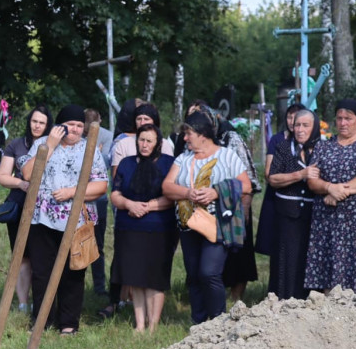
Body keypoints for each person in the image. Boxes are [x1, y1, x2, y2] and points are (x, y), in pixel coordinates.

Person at [20, 104, 109, 335]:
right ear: (60, 126)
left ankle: (68, 324)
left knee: (73, 272)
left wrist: (72, 192)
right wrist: (49, 144)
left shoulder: (90, 149)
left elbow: (101, 185)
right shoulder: (43, 144)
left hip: (77, 221)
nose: (76, 130)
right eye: (70, 125)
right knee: (42, 272)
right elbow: (28, 174)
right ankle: (42, 321)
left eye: (80, 125)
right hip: (43, 220)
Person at [162, 111, 252, 324]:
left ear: (203, 134)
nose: (185, 138)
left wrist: (216, 192)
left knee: (209, 273)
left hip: (217, 223)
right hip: (188, 224)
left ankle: (218, 322)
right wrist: (187, 193)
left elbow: (246, 185)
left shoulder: (226, 156)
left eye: (188, 134)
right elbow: (167, 186)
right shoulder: (183, 158)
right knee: (194, 275)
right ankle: (199, 323)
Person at [303, 99, 356, 292]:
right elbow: (312, 181)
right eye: (339, 118)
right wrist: (329, 187)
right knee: (330, 263)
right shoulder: (324, 146)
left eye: (348, 118)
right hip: (328, 218)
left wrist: (341, 191)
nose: (343, 123)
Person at [109, 124, 177, 331]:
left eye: (149, 141)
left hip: (159, 228)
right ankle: (139, 324)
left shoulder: (168, 163)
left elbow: (172, 196)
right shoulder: (127, 163)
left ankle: (153, 325)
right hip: (129, 228)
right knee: (134, 277)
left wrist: (148, 207)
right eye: (141, 140)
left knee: (154, 278)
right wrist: (130, 205)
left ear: (158, 143)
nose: (144, 144)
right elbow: (115, 193)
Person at [0, 105, 51, 312]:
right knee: (22, 256)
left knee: (41, 257)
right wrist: (20, 184)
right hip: (19, 204)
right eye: (34, 121)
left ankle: (40, 301)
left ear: (48, 125)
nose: (37, 125)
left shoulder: (55, 146)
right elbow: (2, 175)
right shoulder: (17, 144)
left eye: (42, 122)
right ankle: (23, 303)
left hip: (45, 208)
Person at [265, 108, 319, 299]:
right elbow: (273, 178)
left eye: (305, 125)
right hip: (288, 213)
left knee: (309, 257)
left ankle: (309, 299)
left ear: (314, 128)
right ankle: (284, 299)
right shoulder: (284, 147)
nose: (300, 130)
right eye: (297, 125)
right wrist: (300, 175)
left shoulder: (323, 147)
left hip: (315, 214)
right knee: (286, 258)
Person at [255, 103, 305, 258]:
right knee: (276, 241)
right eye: (289, 117)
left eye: (296, 117)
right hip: (277, 195)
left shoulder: (310, 141)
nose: (292, 121)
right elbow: (269, 172)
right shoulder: (277, 140)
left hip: (301, 197)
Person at [84, 109, 113, 297]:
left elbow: (105, 163)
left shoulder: (108, 136)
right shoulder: (75, 134)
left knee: (97, 244)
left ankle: (99, 287)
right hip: (74, 199)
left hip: (97, 199)